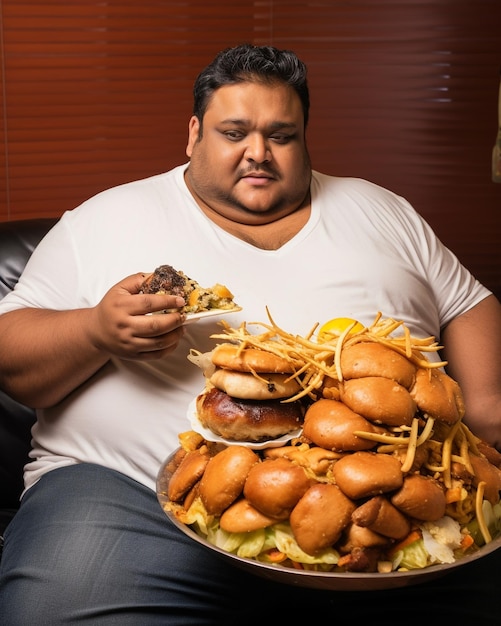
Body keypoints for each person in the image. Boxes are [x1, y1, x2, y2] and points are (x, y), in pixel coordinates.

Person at [0, 43, 500, 625]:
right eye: (233, 132)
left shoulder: (382, 209)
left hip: (385, 500)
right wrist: (95, 332)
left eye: (281, 135)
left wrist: (485, 408)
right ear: (193, 135)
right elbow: (13, 354)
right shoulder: (104, 218)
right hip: (126, 497)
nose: (257, 153)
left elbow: (467, 301)